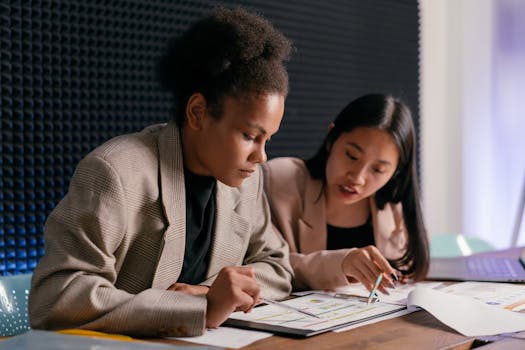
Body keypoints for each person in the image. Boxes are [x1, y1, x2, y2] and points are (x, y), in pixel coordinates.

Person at [29, 7, 294, 337]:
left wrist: (207, 296)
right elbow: (56, 298)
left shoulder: (246, 182)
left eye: (268, 138)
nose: (262, 156)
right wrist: (201, 308)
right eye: (250, 136)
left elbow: (278, 268)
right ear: (197, 113)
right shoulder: (114, 171)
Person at [263, 93, 429, 294]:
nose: (358, 178)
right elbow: (268, 265)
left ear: (395, 171)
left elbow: (406, 273)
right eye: (351, 156)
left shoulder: (394, 204)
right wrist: (339, 264)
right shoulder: (279, 180)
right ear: (331, 138)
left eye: (377, 170)